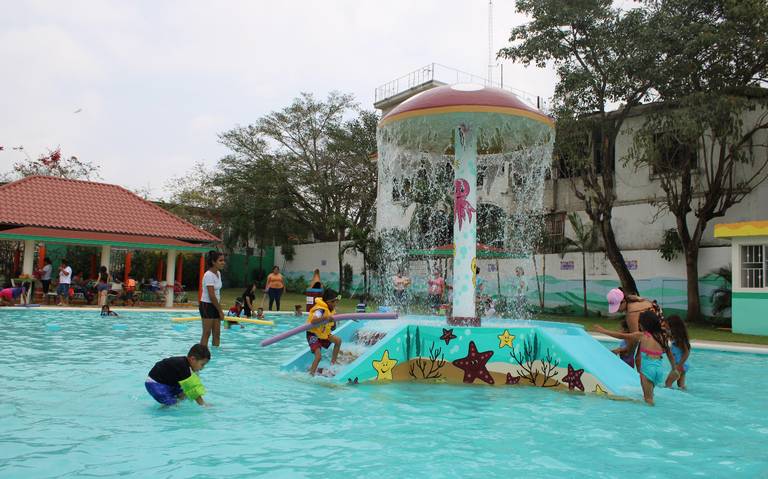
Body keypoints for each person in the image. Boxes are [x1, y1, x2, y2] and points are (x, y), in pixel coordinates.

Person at [594, 311, 678, 405]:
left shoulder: (642, 335)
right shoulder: (662, 337)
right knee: (650, 396)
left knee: (648, 400)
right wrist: (674, 369)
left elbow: (621, 336)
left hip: (647, 370)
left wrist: (603, 331)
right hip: (658, 370)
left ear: (644, 325)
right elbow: (669, 354)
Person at [145, 344, 211, 407]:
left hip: (166, 383)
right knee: (172, 406)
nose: (202, 368)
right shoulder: (183, 367)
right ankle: (163, 410)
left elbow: (194, 386)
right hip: (155, 384)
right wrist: (203, 404)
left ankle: (172, 402)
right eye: (202, 364)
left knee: (186, 394)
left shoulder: (187, 366)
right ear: (193, 359)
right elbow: (192, 389)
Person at [606, 287, 656, 361]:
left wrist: (626, 352)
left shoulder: (631, 314)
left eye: (617, 307)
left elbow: (634, 339)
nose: (617, 310)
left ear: (623, 301)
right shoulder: (633, 300)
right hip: (655, 333)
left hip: (655, 338)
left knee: (640, 361)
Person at [306, 288, 342, 376]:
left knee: (338, 341)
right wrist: (326, 318)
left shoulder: (331, 311)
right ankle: (311, 375)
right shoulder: (320, 310)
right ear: (329, 302)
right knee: (318, 357)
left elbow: (332, 328)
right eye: (335, 302)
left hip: (323, 334)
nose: (336, 304)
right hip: (313, 334)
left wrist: (333, 323)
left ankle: (333, 364)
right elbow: (313, 321)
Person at [199, 251, 225, 348]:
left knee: (217, 334)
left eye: (223, 260)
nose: (223, 262)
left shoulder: (218, 273)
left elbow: (217, 294)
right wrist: (221, 311)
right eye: (220, 260)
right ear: (213, 262)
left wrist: (219, 308)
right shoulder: (208, 275)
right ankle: (201, 356)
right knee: (206, 333)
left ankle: (215, 357)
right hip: (207, 305)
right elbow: (211, 295)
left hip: (215, 305)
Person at [665, 315, 691, 389]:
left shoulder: (680, 339)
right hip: (683, 365)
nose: (665, 325)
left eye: (666, 324)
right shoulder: (675, 336)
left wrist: (679, 365)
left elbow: (687, 352)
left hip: (680, 365)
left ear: (672, 326)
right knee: (681, 386)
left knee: (668, 383)